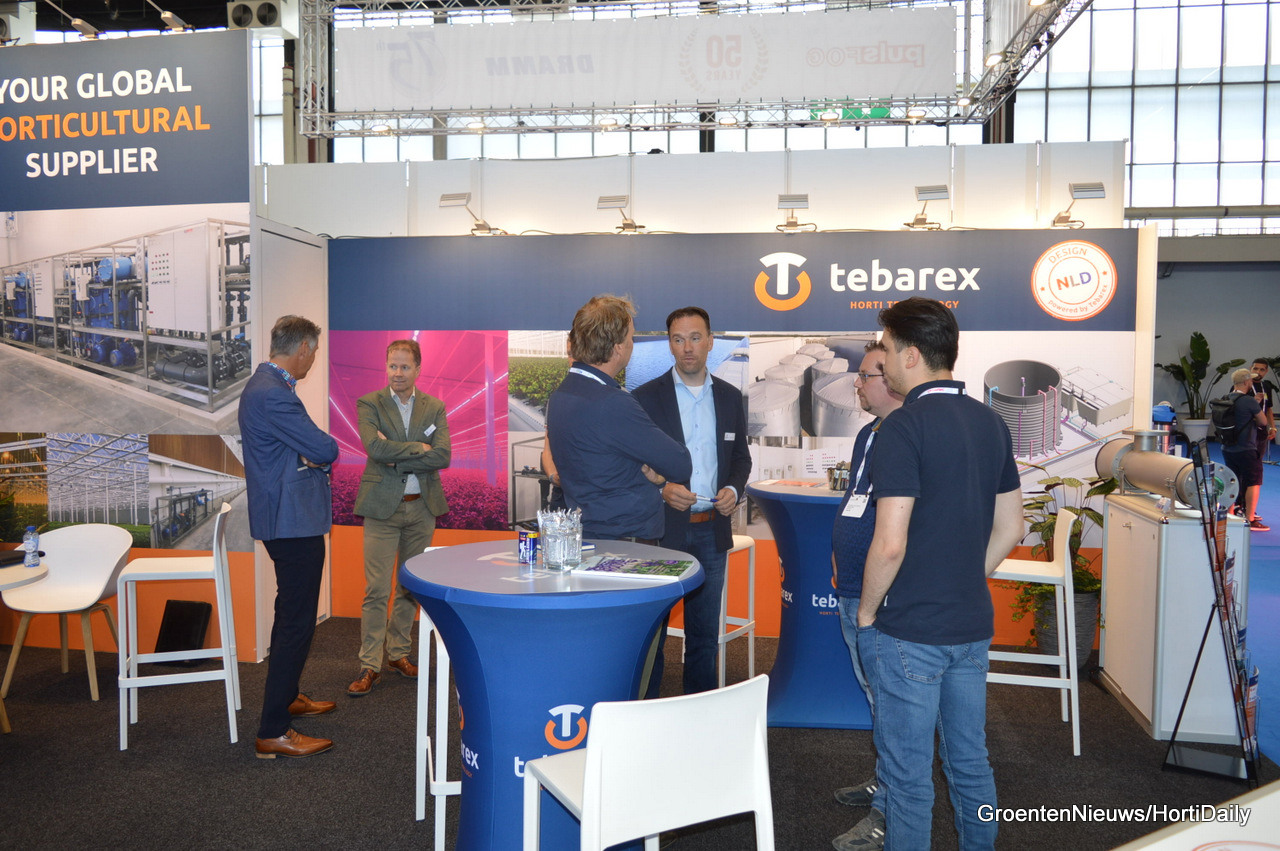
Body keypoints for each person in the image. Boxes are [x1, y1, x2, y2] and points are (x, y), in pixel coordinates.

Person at [854, 298, 1023, 850]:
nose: (881, 360)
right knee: (970, 761)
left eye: (885, 348)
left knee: (907, 777)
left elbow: (890, 543)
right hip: (971, 624)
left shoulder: (902, 427)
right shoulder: (991, 422)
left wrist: (866, 613)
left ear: (911, 356)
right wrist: (966, 576)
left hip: (910, 630)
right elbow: (1013, 526)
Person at [633, 306, 752, 695]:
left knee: (704, 636)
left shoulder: (730, 397)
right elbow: (630, 464)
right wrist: (661, 490)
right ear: (669, 344)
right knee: (653, 633)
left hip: (711, 533)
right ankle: (647, 712)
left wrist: (733, 490)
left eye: (696, 338)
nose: (687, 348)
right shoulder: (646, 398)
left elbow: (741, 458)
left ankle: (699, 713)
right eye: (678, 339)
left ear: (711, 342)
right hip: (662, 532)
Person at [239, 315, 341, 759]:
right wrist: (313, 454)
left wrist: (308, 454)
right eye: (313, 351)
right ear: (302, 348)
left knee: (292, 615)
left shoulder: (268, 387)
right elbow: (324, 448)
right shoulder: (273, 394)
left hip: (288, 518)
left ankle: (287, 698)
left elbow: (306, 450)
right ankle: (273, 730)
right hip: (291, 521)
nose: (313, 359)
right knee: (296, 622)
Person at [829, 341, 903, 850]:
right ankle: (885, 782)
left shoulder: (907, 436)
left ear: (891, 378)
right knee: (875, 696)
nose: (856, 383)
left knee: (891, 703)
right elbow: (855, 501)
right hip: (852, 586)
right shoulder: (868, 433)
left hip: (880, 596)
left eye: (865, 375)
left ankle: (890, 812)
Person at [348, 339, 451, 697]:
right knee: (376, 590)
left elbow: (443, 456)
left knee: (409, 588)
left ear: (418, 369)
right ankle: (369, 664)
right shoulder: (369, 403)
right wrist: (418, 449)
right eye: (392, 365)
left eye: (405, 366)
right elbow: (373, 447)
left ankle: (398, 654)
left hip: (422, 508)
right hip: (381, 508)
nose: (398, 373)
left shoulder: (434, 407)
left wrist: (395, 455)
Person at [546, 295, 691, 542]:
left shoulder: (562, 395)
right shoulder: (611, 402)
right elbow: (680, 464)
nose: (632, 344)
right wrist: (657, 476)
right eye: (630, 337)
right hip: (624, 543)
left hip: (588, 533)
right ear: (617, 347)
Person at [1223, 367, 1269, 531]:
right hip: (1246, 448)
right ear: (1246, 382)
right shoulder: (1249, 401)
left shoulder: (1226, 398)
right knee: (1254, 482)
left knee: (1232, 480)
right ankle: (1250, 519)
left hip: (1228, 448)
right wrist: (1255, 405)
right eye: (1250, 380)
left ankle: (1229, 515)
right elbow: (1263, 422)